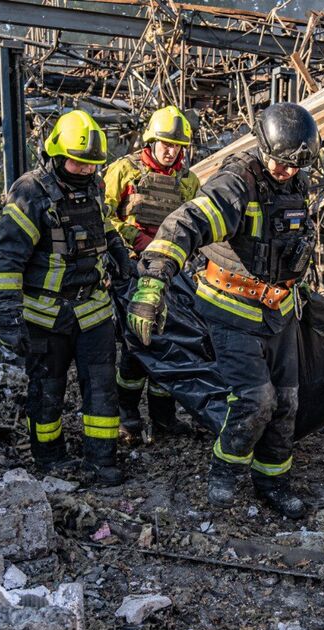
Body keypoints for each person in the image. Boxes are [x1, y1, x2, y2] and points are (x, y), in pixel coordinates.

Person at [126, 102, 320, 518]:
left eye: (295, 165)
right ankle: (225, 473)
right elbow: (186, 223)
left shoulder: (296, 183)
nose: (286, 171)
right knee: (255, 399)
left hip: (278, 309)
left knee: (286, 402)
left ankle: (273, 481)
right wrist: (153, 280)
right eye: (281, 163)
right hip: (231, 307)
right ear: (263, 147)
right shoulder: (237, 183)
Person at [0, 110, 134, 486]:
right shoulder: (29, 193)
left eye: (92, 164)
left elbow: (104, 226)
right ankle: (48, 456)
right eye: (79, 162)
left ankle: (101, 461)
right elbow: (6, 259)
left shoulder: (93, 187)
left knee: (102, 388)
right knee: (47, 389)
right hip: (45, 314)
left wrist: (119, 254)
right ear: (54, 153)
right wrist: (8, 315)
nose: (86, 170)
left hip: (93, 309)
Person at [102, 105, 201, 439]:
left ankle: (164, 420)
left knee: (168, 343)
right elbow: (100, 218)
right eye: (165, 143)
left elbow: (194, 226)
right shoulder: (123, 172)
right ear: (151, 141)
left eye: (177, 145)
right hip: (130, 269)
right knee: (135, 344)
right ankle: (127, 418)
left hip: (170, 272)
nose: (171, 150)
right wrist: (135, 238)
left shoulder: (189, 182)